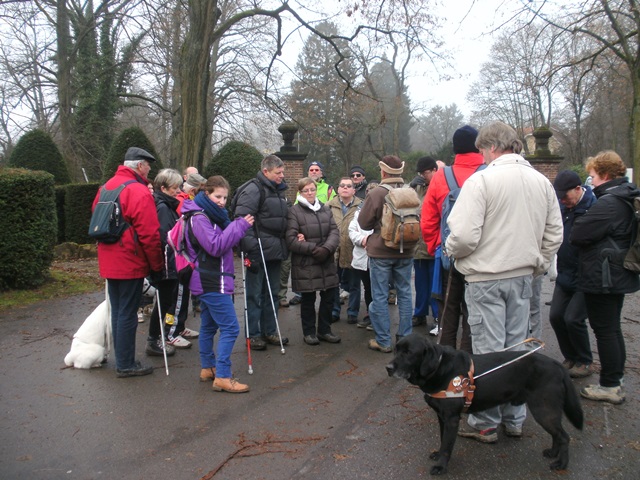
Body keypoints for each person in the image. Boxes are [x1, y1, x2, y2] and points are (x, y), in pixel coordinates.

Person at [445, 121, 562, 442]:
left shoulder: (482, 181)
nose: (481, 156)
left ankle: (485, 421)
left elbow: (465, 236)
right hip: (524, 276)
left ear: (492, 147)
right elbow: (554, 233)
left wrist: (451, 249)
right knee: (518, 349)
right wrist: (537, 263)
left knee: (489, 351)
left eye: (482, 149)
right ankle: (514, 418)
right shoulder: (541, 181)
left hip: (486, 278)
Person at [571, 150, 640, 405]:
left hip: (605, 275)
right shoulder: (624, 196)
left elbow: (579, 233)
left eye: (593, 176)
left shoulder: (609, 202)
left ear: (606, 175)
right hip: (614, 272)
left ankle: (611, 385)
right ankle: (615, 380)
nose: (591, 182)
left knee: (606, 331)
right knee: (611, 329)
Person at [93, 147, 164, 378]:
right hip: (129, 260)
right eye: (148, 166)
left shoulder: (106, 187)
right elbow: (150, 234)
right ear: (140, 165)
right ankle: (125, 363)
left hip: (109, 258)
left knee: (118, 310)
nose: (149, 171)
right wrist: (157, 266)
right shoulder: (138, 191)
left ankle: (121, 358)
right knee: (127, 312)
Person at [182, 176, 254, 393]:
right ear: (206, 194)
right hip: (211, 280)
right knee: (231, 328)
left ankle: (208, 368)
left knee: (209, 326)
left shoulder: (208, 215)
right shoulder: (200, 218)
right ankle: (222, 375)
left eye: (224, 197)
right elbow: (215, 246)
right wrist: (239, 226)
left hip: (210, 278)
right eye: (217, 196)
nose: (222, 202)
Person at [420, 126, 485, 352]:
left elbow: (428, 218)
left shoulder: (441, 176)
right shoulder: (489, 173)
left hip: (448, 254)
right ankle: (468, 363)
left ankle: (446, 358)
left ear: (455, 147)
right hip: (480, 256)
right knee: (473, 310)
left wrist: (435, 247)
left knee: (448, 308)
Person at [358, 155, 417, 353]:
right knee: (405, 294)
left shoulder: (376, 193)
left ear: (383, 172)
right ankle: (406, 338)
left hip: (381, 252)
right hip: (406, 250)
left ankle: (383, 341)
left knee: (380, 296)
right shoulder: (410, 191)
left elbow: (363, 223)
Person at [233, 155, 289, 351]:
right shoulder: (253, 190)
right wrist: (251, 250)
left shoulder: (279, 191)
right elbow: (242, 221)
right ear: (266, 171)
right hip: (257, 249)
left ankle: (270, 330)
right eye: (278, 172)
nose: (282, 176)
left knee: (272, 293)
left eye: (282, 172)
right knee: (254, 294)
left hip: (275, 249)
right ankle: (253, 333)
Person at [549, 170, 596, 378]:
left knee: (573, 319)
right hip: (565, 273)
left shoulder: (593, 208)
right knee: (556, 316)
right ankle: (570, 357)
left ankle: (584, 361)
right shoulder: (563, 207)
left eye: (565, 196)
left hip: (585, 276)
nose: (562, 200)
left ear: (578, 189)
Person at [286, 177, 341, 345]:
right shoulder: (294, 211)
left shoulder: (325, 209)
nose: (310, 193)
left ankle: (325, 330)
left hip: (326, 260)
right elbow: (291, 239)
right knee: (308, 300)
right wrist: (314, 249)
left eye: (312, 189)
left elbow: (334, 231)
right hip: (306, 263)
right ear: (300, 192)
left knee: (329, 297)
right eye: (306, 190)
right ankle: (309, 332)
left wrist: (326, 249)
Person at [146, 169, 184, 357]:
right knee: (165, 303)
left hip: (170, 262)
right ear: (163, 188)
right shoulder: (162, 207)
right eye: (175, 188)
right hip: (168, 264)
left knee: (167, 302)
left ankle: (160, 335)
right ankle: (155, 338)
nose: (178, 191)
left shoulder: (166, 205)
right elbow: (164, 238)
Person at [409, 156, 440, 332]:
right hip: (419, 244)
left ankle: (437, 316)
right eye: (421, 173)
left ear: (434, 170)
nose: (423, 176)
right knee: (420, 285)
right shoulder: (417, 187)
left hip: (434, 243)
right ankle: (419, 313)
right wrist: (411, 187)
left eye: (425, 172)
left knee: (436, 286)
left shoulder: (441, 184)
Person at [327, 177, 363, 324]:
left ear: (354, 190)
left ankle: (353, 312)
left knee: (354, 283)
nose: (345, 188)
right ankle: (335, 310)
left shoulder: (361, 205)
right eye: (342, 185)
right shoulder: (329, 206)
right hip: (333, 250)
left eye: (349, 186)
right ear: (338, 189)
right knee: (334, 283)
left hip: (354, 250)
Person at [349, 182, 378, 329]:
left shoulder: (385, 209)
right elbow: (352, 230)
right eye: (368, 192)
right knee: (368, 287)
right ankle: (369, 314)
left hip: (379, 256)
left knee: (378, 289)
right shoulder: (359, 212)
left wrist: (372, 241)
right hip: (362, 256)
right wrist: (363, 239)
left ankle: (378, 318)